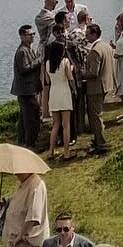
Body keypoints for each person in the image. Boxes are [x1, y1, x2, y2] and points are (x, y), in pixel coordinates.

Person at [81, 22, 112, 154]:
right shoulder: (106, 46)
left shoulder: (95, 51)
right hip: (106, 84)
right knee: (97, 114)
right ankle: (98, 139)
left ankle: (101, 143)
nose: (86, 37)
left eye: (87, 34)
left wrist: (82, 73)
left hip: (96, 87)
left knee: (95, 116)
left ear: (94, 34)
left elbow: (93, 72)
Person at [44, 30, 75, 161]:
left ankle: (51, 151)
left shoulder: (47, 64)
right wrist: (74, 89)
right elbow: (70, 78)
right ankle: (66, 152)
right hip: (64, 92)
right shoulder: (65, 62)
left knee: (55, 124)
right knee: (66, 124)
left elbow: (48, 79)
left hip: (54, 93)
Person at [12, 24, 43, 148]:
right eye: (30, 35)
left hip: (29, 89)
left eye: (33, 34)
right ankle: (31, 143)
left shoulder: (28, 49)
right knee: (31, 117)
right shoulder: (22, 52)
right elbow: (24, 69)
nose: (32, 37)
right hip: (25, 91)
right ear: (22, 36)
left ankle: (23, 141)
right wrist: (38, 61)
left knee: (26, 117)